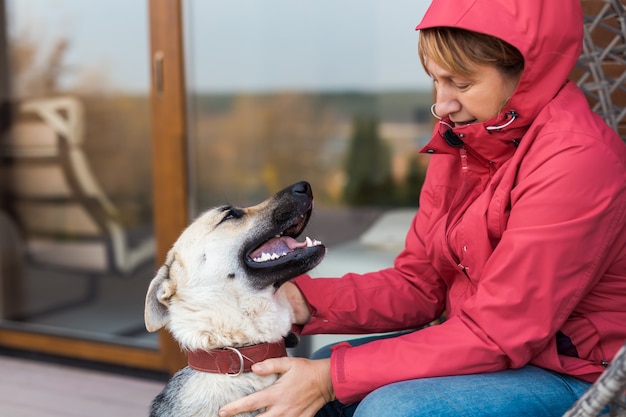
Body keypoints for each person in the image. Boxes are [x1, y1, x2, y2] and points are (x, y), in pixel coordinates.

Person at [219, 0, 626, 416]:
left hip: (578, 374)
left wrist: (329, 379)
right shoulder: (463, 142)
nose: (442, 104)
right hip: (479, 348)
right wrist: (297, 300)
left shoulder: (576, 160)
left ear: (527, 74)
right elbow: (420, 283)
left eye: (461, 84)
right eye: (435, 80)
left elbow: (501, 332)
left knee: (389, 408)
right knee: (285, 378)